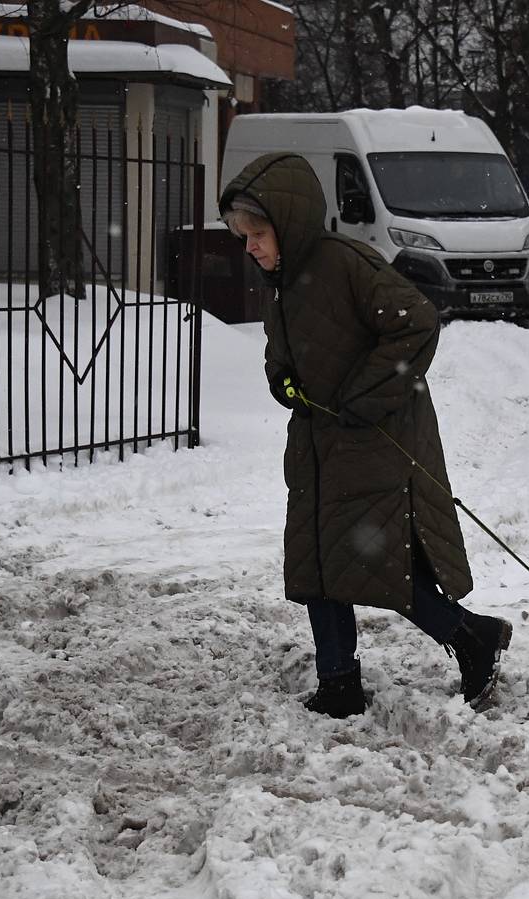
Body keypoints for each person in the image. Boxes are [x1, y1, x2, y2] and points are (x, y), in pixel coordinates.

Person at [219, 152, 511, 719]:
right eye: (242, 236)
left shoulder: (344, 262)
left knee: (374, 564)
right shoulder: (279, 280)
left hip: (374, 438)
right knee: (316, 565)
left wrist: (361, 397)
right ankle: (340, 683)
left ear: (289, 222)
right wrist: (282, 381)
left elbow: (416, 324)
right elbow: (284, 356)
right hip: (316, 445)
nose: (249, 246)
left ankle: (472, 637)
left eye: (257, 233)